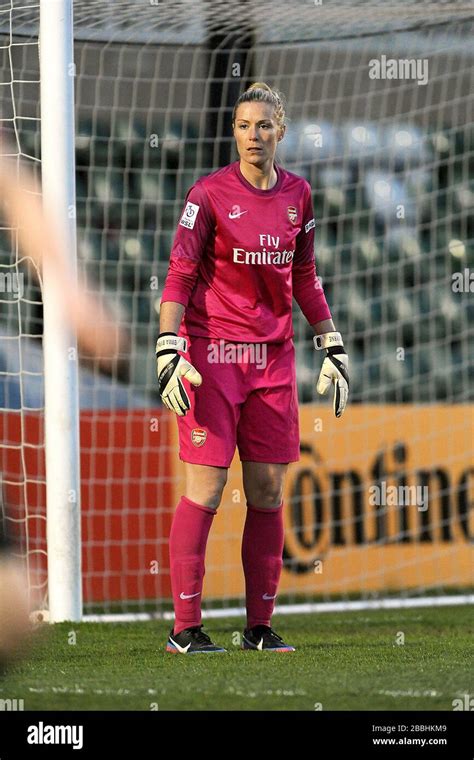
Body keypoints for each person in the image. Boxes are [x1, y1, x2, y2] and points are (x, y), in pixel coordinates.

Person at [156, 82, 349, 654]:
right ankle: (185, 630)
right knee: (208, 488)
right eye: (244, 126)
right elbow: (179, 274)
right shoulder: (209, 195)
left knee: (267, 490)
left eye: (264, 125)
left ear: (281, 130)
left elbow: (305, 277)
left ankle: (258, 628)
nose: (253, 135)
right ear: (233, 132)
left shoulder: (299, 196)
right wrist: (169, 344)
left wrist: (330, 340)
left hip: (273, 359)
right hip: (213, 357)